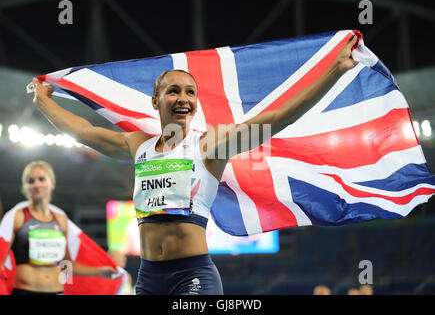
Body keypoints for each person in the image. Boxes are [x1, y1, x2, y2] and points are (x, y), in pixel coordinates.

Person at [31, 35, 359, 295]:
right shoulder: (138, 145)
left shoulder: (210, 145)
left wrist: (335, 70)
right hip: (147, 277)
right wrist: (43, 100)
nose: (183, 98)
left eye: (190, 92)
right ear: (156, 101)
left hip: (192, 275)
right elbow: (84, 132)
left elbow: (276, 119)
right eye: (173, 91)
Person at [0, 161, 117, 295]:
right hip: (25, 290)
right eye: (31, 181)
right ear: (24, 187)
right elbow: (1, 254)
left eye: (41, 179)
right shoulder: (18, 217)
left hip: (57, 291)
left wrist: (100, 271)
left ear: (52, 183)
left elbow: (66, 265)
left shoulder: (61, 220)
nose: (36, 184)